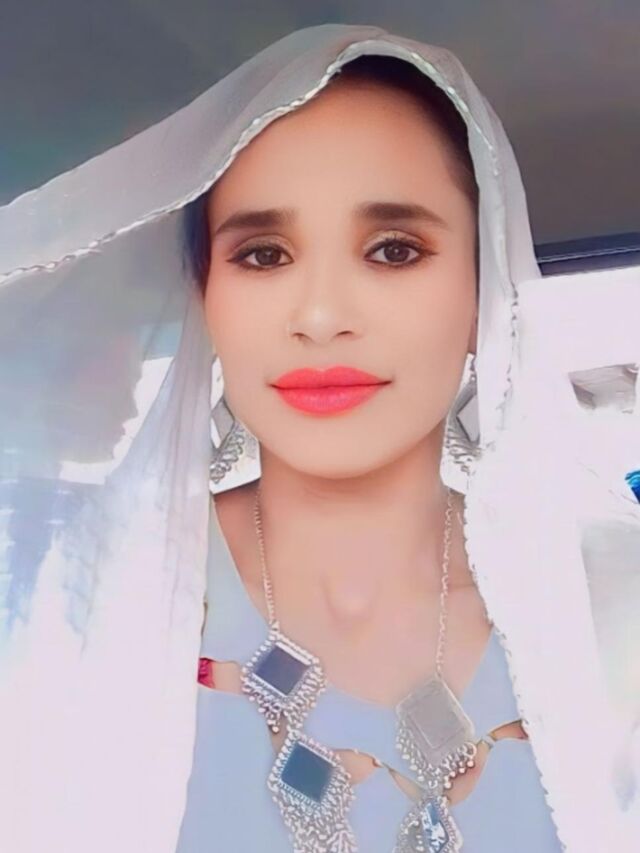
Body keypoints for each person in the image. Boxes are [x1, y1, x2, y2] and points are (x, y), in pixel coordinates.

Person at [0, 22, 637, 853]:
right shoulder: (70, 603)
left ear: (482, 286)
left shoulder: (611, 604)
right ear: (204, 291)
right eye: (264, 255)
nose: (322, 315)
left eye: (394, 250)